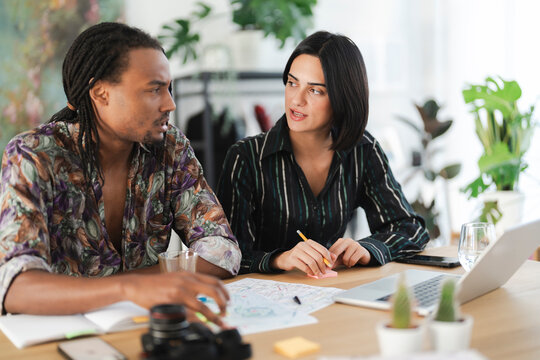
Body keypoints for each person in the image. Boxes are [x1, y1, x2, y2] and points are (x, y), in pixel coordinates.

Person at [0, 22, 241, 324]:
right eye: (154, 89)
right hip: (61, 334)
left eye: (169, 88)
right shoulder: (33, 155)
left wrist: (143, 286)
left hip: (142, 326)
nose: (171, 103)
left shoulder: (171, 147)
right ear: (100, 93)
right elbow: (15, 287)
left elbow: (222, 248)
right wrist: (130, 287)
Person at [217, 31, 429, 276]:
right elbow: (225, 256)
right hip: (263, 303)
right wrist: (280, 259)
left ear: (343, 98)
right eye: (292, 83)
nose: (296, 100)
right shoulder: (245, 158)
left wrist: (367, 248)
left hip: (329, 291)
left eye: (315, 90)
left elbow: (410, 228)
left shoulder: (362, 150)